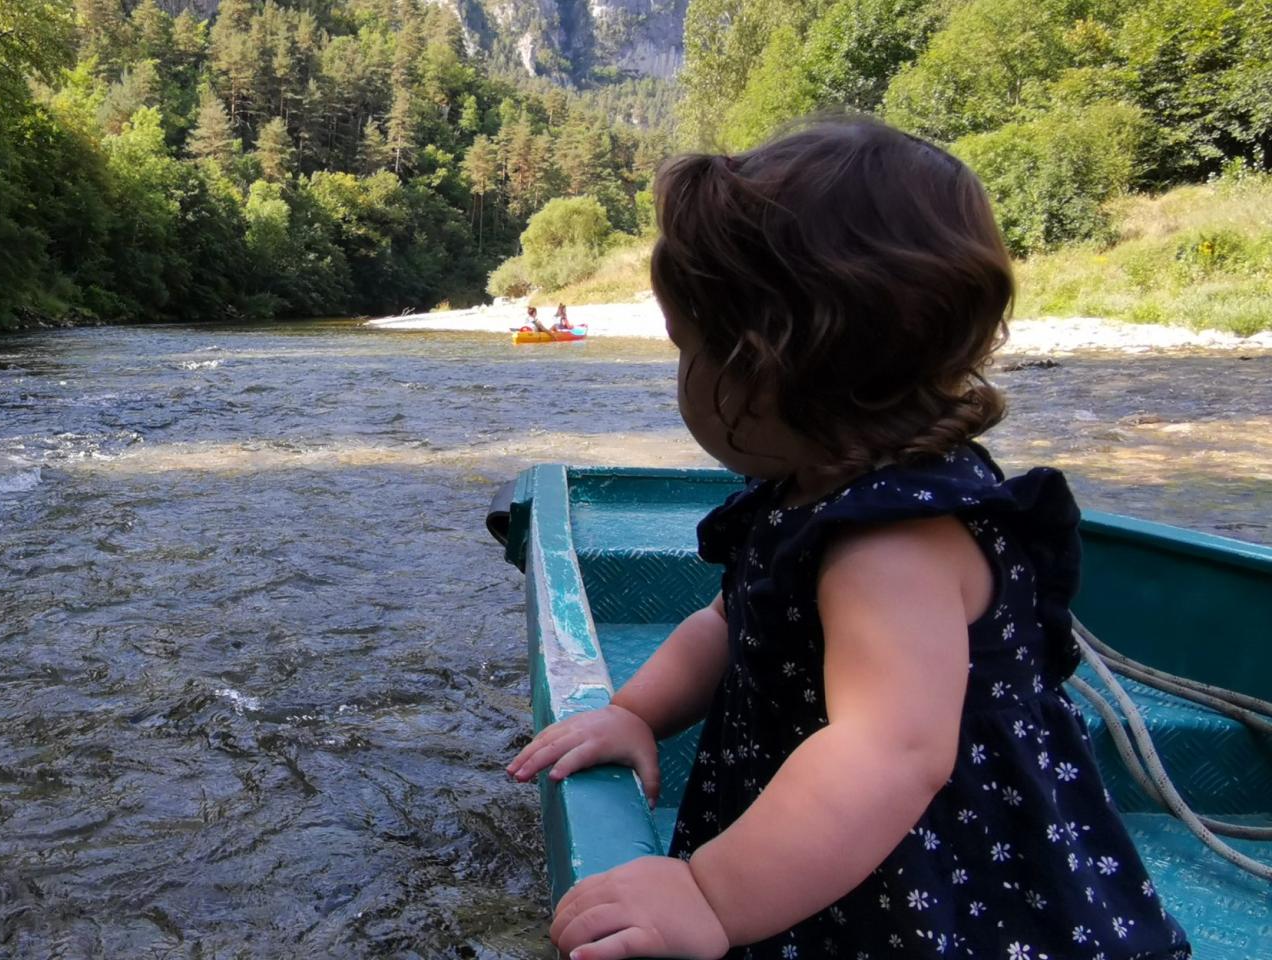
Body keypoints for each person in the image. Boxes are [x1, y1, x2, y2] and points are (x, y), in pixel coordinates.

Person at [505, 119, 1187, 960]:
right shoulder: (811, 497)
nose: (679, 379)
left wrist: (712, 897)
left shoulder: (892, 545)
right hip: (822, 853)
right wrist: (634, 713)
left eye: (688, 351)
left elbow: (888, 753)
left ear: (770, 364)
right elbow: (727, 624)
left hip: (933, 889)